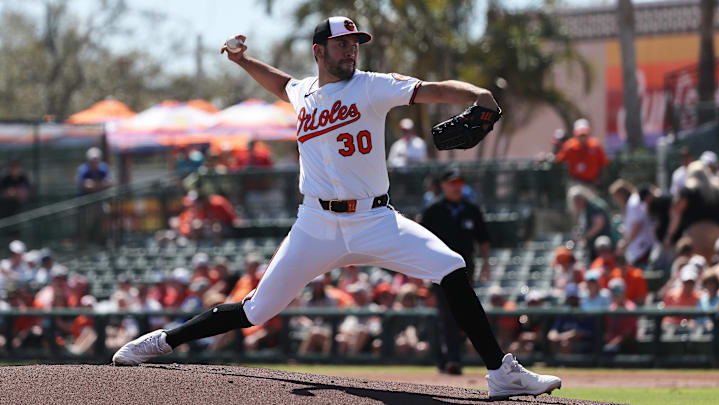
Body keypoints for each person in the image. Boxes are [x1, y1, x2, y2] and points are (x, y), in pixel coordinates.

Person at [112, 17, 560, 399]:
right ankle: (161, 341)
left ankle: (501, 373)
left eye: (355, 44)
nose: (351, 51)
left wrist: (476, 93)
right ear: (319, 51)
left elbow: (431, 89)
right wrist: (242, 60)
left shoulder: (373, 87)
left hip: (374, 219)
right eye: (342, 44)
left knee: (451, 266)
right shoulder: (302, 91)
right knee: (255, 311)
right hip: (316, 224)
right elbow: (279, 83)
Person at [421, 168, 492, 374]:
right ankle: (452, 358)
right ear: (442, 185)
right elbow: (421, 240)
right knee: (447, 313)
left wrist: (486, 264)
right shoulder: (433, 210)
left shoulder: (471, 209)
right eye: (452, 183)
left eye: (459, 182)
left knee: (464, 314)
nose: (456, 186)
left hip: (465, 268)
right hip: (438, 269)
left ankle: (450, 357)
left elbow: (484, 240)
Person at [609, 180, 656, 267]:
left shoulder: (633, 202)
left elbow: (637, 225)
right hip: (639, 246)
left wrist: (625, 242)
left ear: (621, 194)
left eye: (617, 197)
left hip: (642, 246)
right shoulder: (632, 202)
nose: (617, 200)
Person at [555, 118, 608, 185]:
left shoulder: (595, 146)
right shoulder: (569, 147)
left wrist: (599, 179)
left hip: (592, 182)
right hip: (575, 182)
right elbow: (559, 160)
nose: (583, 137)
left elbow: (603, 165)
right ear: (575, 134)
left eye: (584, 135)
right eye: (580, 135)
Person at [567, 185, 611, 260]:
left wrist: (584, 237)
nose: (575, 205)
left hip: (602, 248)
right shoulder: (586, 209)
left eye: (576, 201)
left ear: (581, 199)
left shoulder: (594, 207)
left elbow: (599, 224)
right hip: (593, 247)